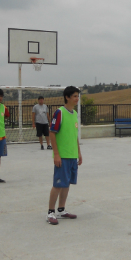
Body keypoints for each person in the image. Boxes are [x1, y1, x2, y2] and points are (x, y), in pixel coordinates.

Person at [46, 86, 82, 225]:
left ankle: (61, 210)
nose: (77, 99)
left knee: (67, 184)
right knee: (58, 184)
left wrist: (79, 152)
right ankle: (50, 212)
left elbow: (75, 136)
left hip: (72, 155)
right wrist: (56, 154)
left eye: (77, 96)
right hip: (62, 156)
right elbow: (52, 133)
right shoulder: (59, 113)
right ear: (67, 97)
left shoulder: (74, 114)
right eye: (74, 96)